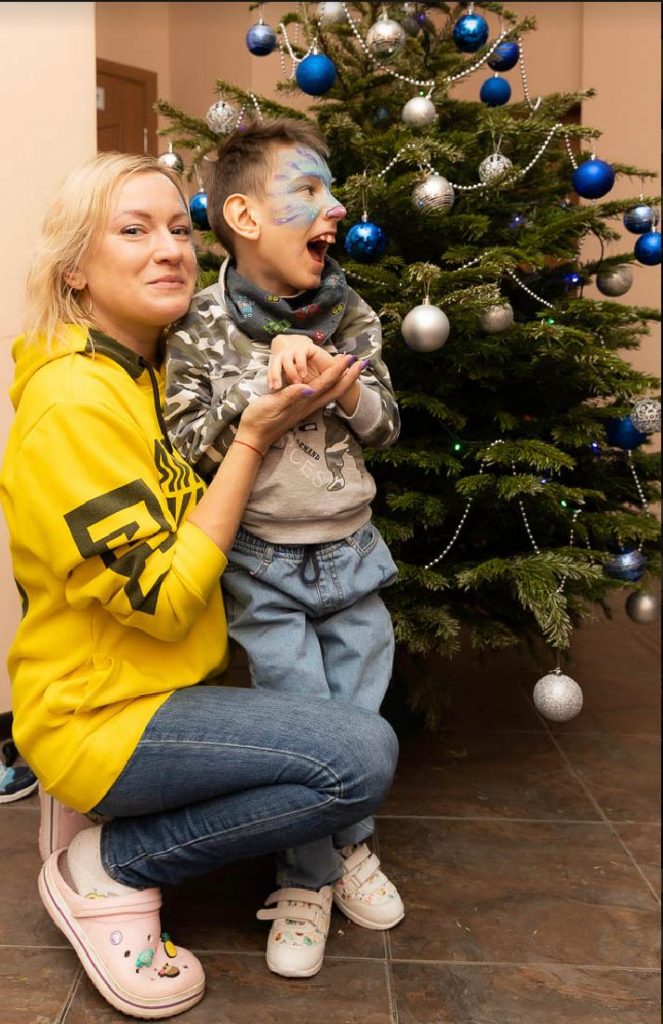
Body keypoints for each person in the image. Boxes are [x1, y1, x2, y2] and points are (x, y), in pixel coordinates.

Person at [0, 152, 399, 1019]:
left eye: (179, 228)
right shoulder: (73, 406)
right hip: (103, 716)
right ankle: (109, 864)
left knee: (336, 726)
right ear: (75, 269)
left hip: (157, 688)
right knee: (357, 758)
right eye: (133, 230)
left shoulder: (144, 371)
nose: (170, 248)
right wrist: (254, 434)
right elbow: (166, 599)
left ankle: (102, 823)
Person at [164, 119, 404, 979]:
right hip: (261, 567)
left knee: (359, 720)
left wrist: (341, 387)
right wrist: (263, 377)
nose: (334, 207)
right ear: (243, 216)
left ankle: (348, 847)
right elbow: (186, 441)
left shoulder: (353, 312)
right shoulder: (197, 323)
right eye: (307, 190)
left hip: (353, 556)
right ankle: (306, 878)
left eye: (331, 190)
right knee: (304, 724)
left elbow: (386, 426)